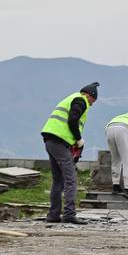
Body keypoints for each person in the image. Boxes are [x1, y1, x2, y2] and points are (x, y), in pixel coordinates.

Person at [41, 81, 98, 224]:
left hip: (50, 140)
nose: (92, 104)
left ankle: (53, 215)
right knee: (70, 178)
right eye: (93, 100)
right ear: (89, 95)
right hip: (59, 141)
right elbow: (73, 120)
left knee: (58, 180)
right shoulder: (81, 100)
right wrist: (79, 139)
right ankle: (69, 214)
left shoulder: (71, 98)